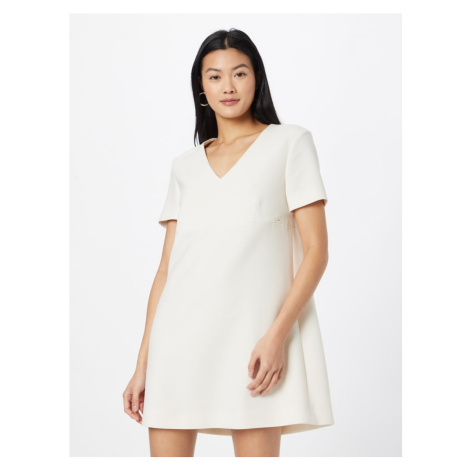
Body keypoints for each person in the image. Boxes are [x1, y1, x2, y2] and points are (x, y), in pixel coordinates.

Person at [123, 28, 334, 457]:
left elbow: (316, 252)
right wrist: (143, 364)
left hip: (253, 343)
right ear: (201, 87)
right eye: (215, 76)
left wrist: (277, 336)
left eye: (239, 73)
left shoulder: (290, 143)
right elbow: (166, 271)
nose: (228, 86)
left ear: (256, 78)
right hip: (177, 344)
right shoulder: (184, 166)